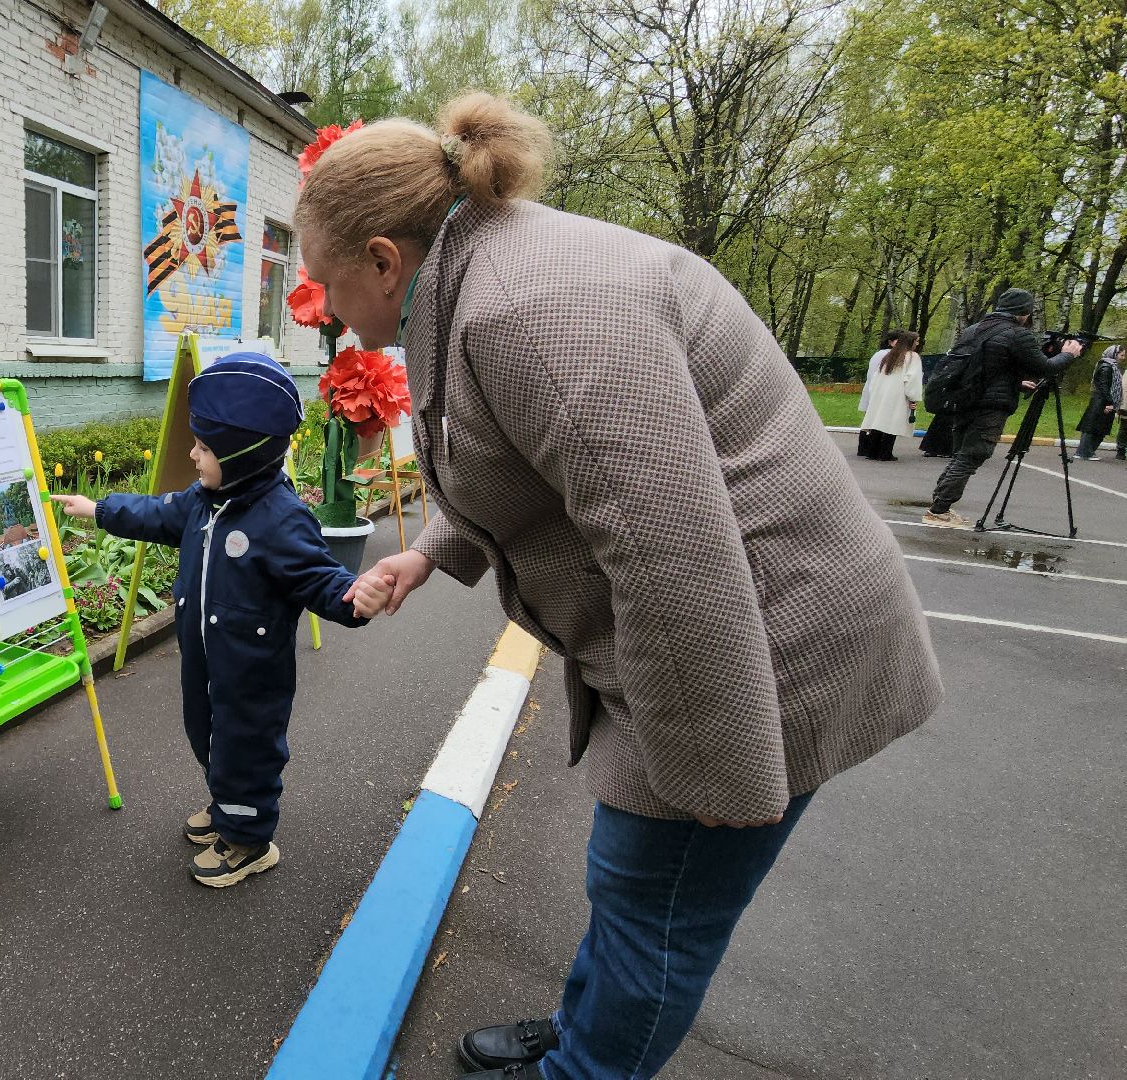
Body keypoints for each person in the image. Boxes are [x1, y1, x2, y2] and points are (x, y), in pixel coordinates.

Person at [297, 94, 942, 1079]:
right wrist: (429, 552)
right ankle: (583, 1030)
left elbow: (671, 558)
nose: (325, 309)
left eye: (323, 281)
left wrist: (720, 771)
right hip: (716, 635)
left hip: (755, 655)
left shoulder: (525, 313)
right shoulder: (484, 275)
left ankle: (589, 1065)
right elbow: (526, 463)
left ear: (384, 261)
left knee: (654, 912)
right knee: (630, 887)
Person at [53, 352, 391, 887]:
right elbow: (156, 513)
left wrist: (355, 598)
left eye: (205, 448)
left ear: (242, 453)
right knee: (206, 733)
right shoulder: (204, 501)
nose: (193, 455)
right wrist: (100, 510)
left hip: (253, 674)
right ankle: (226, 806)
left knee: (247, 750)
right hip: (205, 661)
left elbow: (322, 580)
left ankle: (249, 840)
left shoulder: (282, 520)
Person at [922, 289, 1085, 527]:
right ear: (1024, 312)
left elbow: (986, 368)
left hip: (965, 401)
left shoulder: (974, 329)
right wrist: (1068, 355)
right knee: (972, 455)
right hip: (990, 407)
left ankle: (940, 504)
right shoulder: (1017, 334)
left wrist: (1016, 383)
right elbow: (1044, 367)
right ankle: (939, 510)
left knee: (961, 455)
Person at [856, 330, 922, 460]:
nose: (917, 344)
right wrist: (913, 397)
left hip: (880, 394)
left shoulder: (889, 355)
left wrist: (874, 393)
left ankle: (872, 452)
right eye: (916, 341)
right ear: (910, 342)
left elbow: (875, 377)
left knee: (878, 421)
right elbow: (912, 379)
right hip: (898, 396)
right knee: (892, 424)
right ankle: (885, 453)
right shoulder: (912, 357)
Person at [1074, 344, 1122, 461]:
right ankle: (1085, 452)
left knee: (1098, 428)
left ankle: (1086, 451)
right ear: (1114, 354)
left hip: (1101, 401)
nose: (1123, 358)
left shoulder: (1111, 366)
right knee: (1092, 428)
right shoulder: (1107, 367)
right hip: (1101, 402)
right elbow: (1104, 386)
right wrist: (1109, 402)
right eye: (1121, 355)